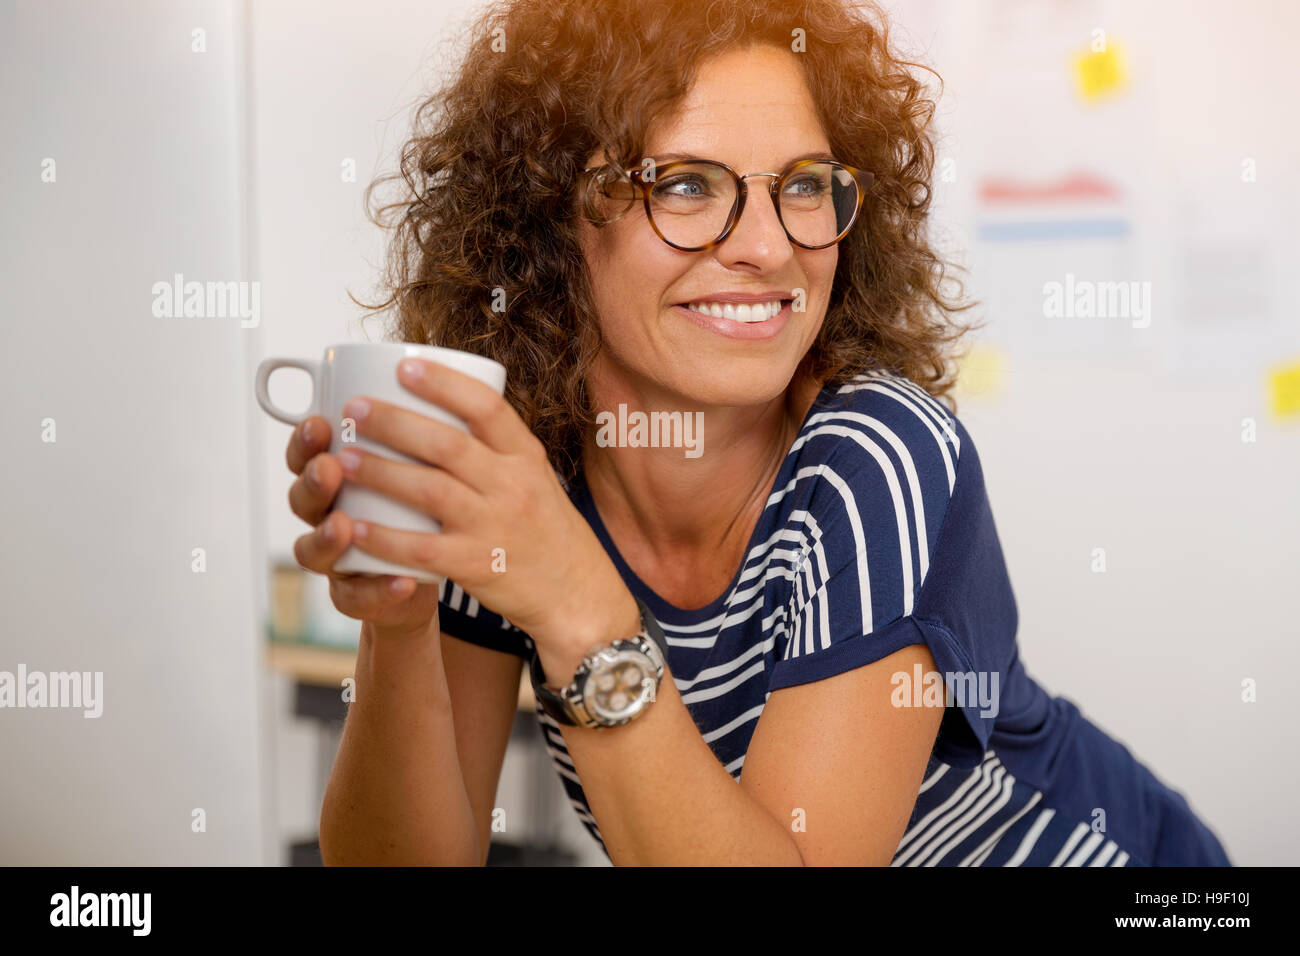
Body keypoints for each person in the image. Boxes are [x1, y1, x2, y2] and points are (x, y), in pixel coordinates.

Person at [282, 0, 1232, 866]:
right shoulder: (522, 474)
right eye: (688, 185)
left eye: (806, 185)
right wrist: (398, 624)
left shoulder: (879, 458)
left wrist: (577, 601)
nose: (771, 245)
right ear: (547, 222)